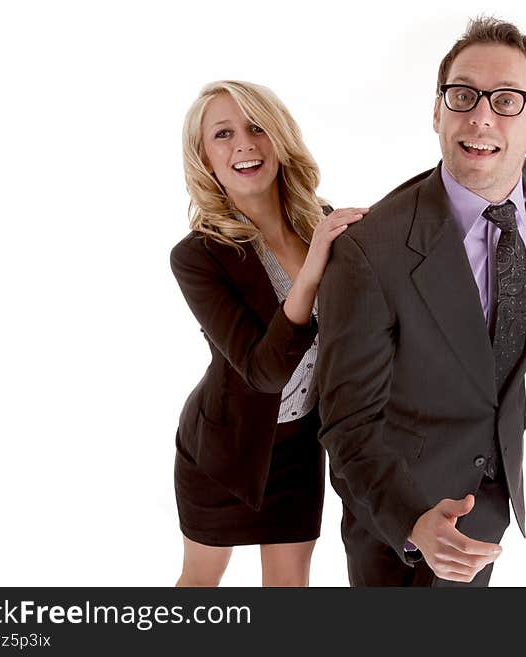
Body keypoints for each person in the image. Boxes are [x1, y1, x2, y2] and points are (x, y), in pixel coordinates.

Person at [317, 17, 526, 587]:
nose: (480, 116)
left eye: (506, 100)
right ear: (437, 112)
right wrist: (411, 523)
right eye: (462, 95)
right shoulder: (370, 252)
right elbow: (348, 424)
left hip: (492, 486)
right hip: (397, 510)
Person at [170, 80, 366, 587]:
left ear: (279, 138)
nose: (244, 144)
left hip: (300, 445)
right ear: (204, 158)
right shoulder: (197, 256)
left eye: (257, 127)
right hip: (224, 451)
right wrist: (311, 270)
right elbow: (262, 371)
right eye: (223, 133)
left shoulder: (320, 224)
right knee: (198, 585)